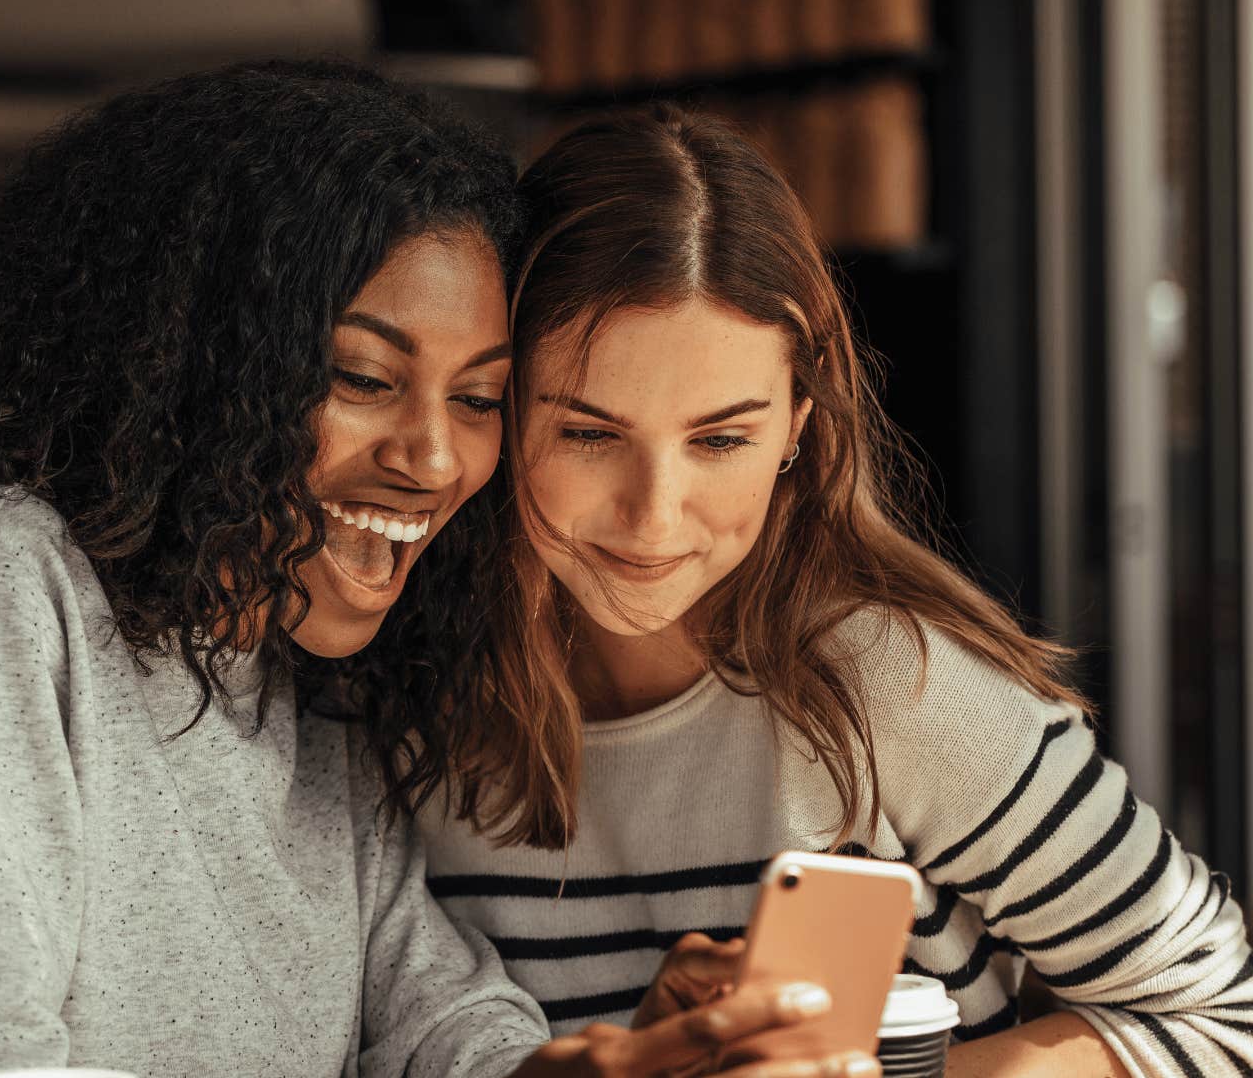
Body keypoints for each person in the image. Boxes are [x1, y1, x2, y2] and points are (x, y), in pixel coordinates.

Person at [0, 66, 870, 1078]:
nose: (432, 457)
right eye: (364, 379)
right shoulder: (0, 581)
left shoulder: (308, 688)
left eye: (478, 399)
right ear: (190, 369)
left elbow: (444, 1029)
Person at [384, 104, 1253, 1075]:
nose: (656, 517)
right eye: (589, 433)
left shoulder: (893, 689)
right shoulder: (412, 714)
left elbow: (1221, 1011)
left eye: (721, 440)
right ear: (495, 410)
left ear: (797, 425)